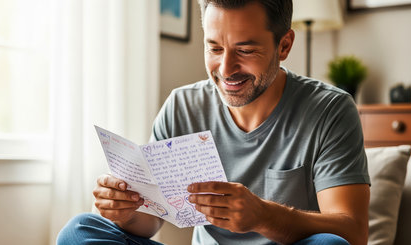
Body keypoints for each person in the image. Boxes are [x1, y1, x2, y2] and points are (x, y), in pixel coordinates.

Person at [57, 0, 370, 244]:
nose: (226, 68)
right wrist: (125, 211)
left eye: (245, 50)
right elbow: (150, 223)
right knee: (79, 231)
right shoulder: (182, 106)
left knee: (330, 244)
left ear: (284, 45)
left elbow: (352, 232)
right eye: (214, 48)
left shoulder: (330, 110)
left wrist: (263, 216)